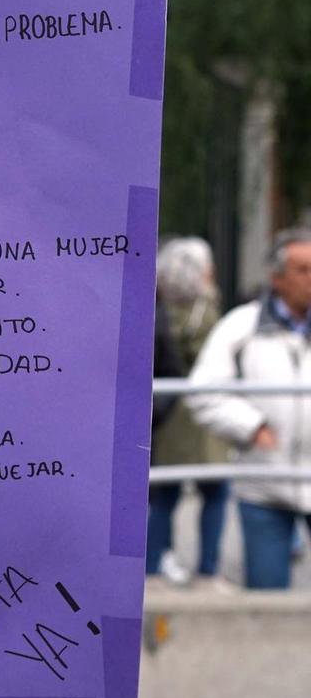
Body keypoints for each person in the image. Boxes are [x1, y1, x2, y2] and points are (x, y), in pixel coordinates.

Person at [187, 227, 311, 588]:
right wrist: (251, 426)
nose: (310, 279)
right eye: (302, 270)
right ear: (277, 278)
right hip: (264, 486)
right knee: (267, 603)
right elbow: (204, 391)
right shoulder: (240, 327)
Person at [147, 238, 233, 586]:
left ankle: (154, 565)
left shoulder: (160, 309)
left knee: (165, 494)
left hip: (168, 416)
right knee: (215, 492)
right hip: (203, 413)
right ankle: (208, 569)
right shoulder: (208, 312)